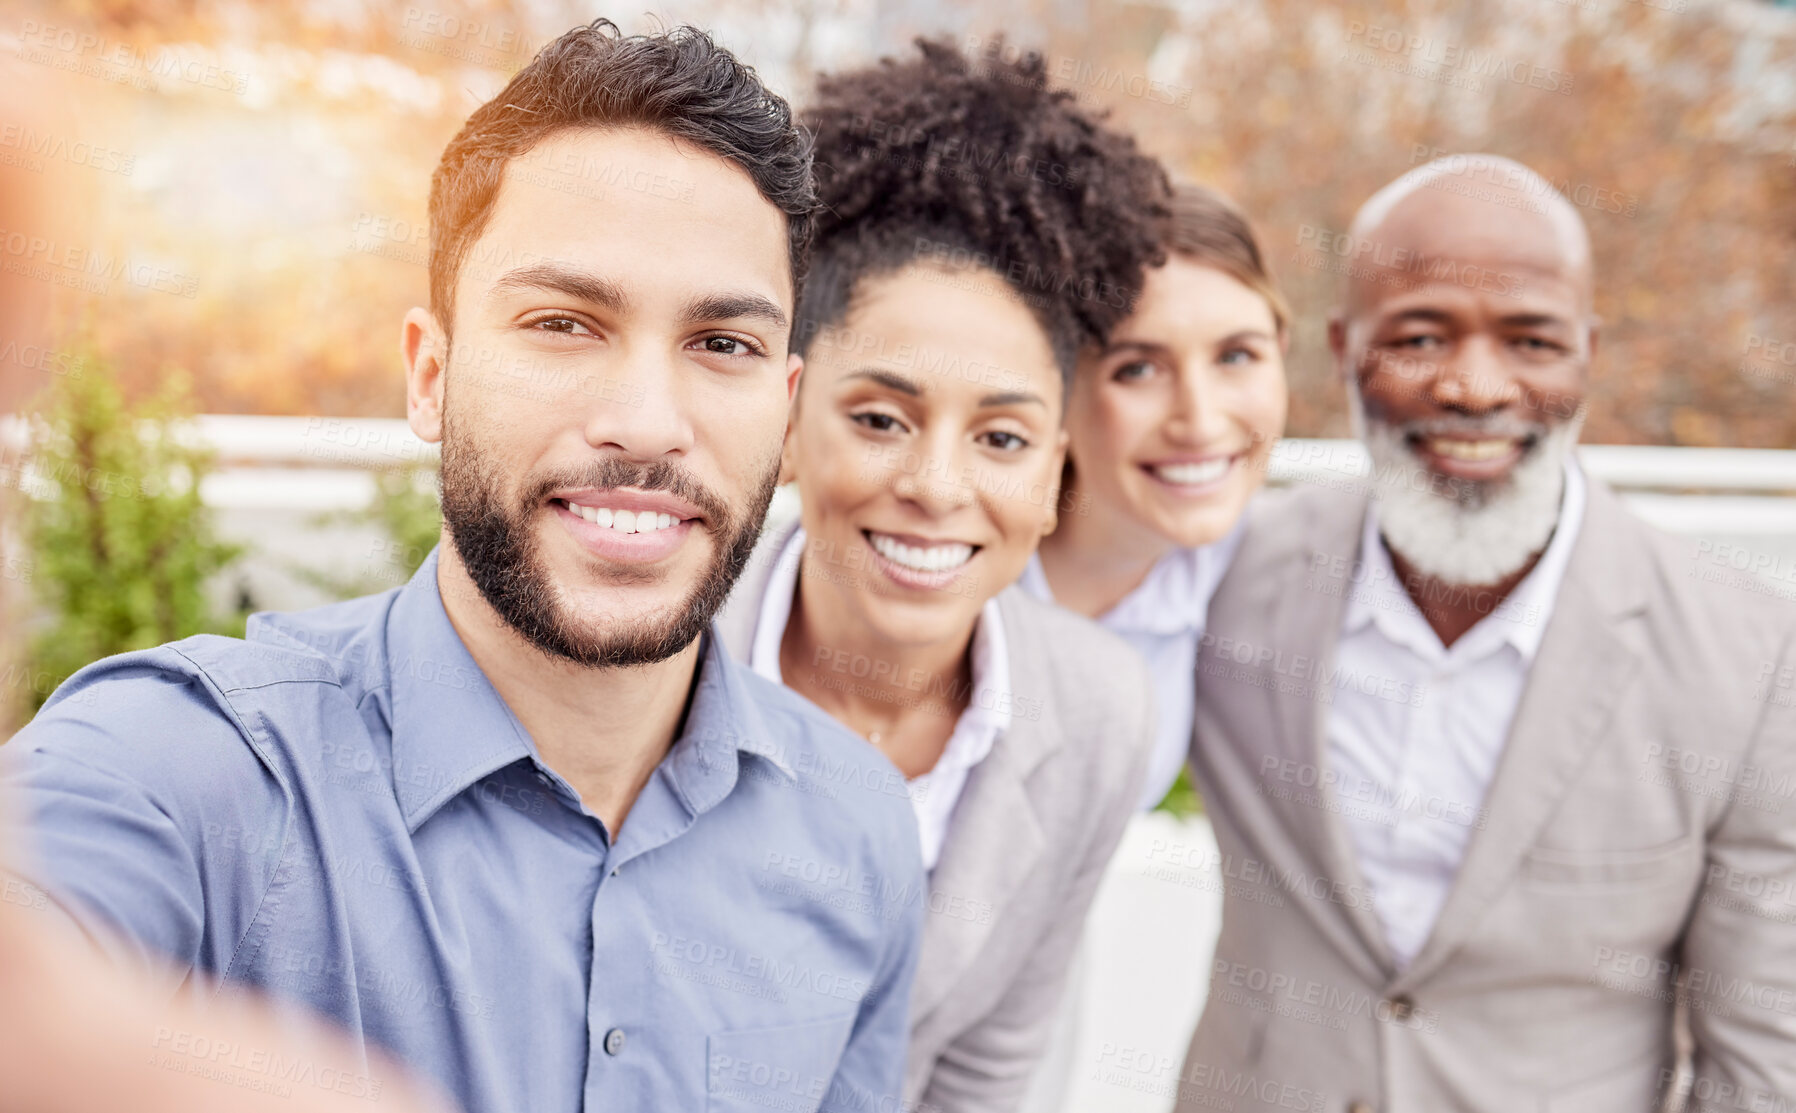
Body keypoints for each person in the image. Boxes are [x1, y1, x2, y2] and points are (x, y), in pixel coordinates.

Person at [0, 21, 925, 1113]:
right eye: (563, 323)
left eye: (721, 344)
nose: (644, 423)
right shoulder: (175, 772)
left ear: (782, 406)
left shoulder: (856, 829)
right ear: (430, 376)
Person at [1173, 155, 1796, 1112]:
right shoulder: (1222, 577)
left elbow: (1762, 1062)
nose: (1474, 387)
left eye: (1531, 340)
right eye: (1420, 335)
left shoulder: (1748, 658)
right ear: (1344, 348)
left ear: (1589, 353)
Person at [713, 39, 1168, 1112]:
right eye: (879, 419)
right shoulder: (648, 659)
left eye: (1001, 440)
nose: (933, 483)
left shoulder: (1097, 714)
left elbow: (983, 1071)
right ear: (785, 423)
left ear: (1056, 476)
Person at [1024, 183, 1291, 811]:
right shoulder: (961, 566)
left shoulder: (1248, 560)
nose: (1198, 421)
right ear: (1060, 386)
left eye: (1237, 355)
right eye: (1138, 369)